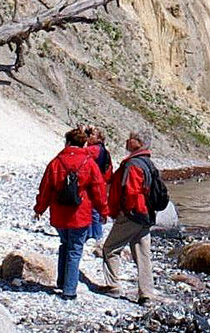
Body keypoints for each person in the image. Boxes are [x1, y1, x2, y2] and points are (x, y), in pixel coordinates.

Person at [33, 127, 109, 300]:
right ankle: (69, 290)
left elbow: (45, 188)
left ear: (67, 142)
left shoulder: (56, 162)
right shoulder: (88, 163)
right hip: (80, 214)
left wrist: (39, 209)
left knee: (64, 244)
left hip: (59, 213)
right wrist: (104, 211)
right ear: (83, 143)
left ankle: (61, 281)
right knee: (75, 249)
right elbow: (98, 190)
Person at [100, 131, 159, 304]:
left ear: (138, 143)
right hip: (146, 215)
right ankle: (146, 293)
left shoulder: (133, 164)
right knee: (143, 254)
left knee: (110, 248)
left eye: (131, 139)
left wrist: (124, 211)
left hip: (132, 214)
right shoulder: (149, 163)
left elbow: (131, 192)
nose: (127, 141)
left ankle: (113, 286)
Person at [85, 126, 113, 244]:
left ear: (99, 138)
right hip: (101, 181)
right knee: (95, 208)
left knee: (93, 209)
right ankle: (95, 234)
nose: (89, 136)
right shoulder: (103, 150)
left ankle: (95, 235)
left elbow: (78, 153)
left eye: (92, 134)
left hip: (94, 181)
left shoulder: (93, 150)